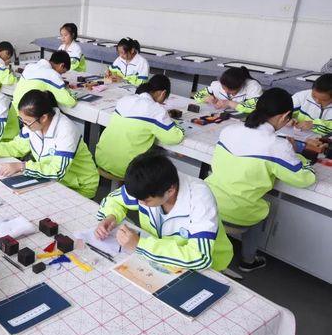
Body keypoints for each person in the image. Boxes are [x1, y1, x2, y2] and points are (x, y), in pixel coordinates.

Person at [206, 88, 316, 272]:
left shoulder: (230, 129)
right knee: (260, 208)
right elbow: (305, 179)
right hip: (236, 214)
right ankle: (248, 260)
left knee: (246, 200)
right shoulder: (277, 145)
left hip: (208, 200)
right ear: (285, 116)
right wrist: (300, 156)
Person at [96, 151, 233, 271]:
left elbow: (200, 257)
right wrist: (110, 216)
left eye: (146, 201)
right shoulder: (146, 183)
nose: (139, 203)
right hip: (162, 258)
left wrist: (140, 244)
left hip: (206, 268)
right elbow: (114, 200)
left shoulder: (199, 199)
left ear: (170, 191)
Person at [0, 90, 99, 198]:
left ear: (43, 118)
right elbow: (17, 146)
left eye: (27, 122)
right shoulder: (32, 125)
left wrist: (22, 166)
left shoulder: (66, 130)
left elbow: (58, 172)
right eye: (22, 121)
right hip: (50, 179)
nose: (24, 125)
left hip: (79, 186)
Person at [95, 75, 184, 179]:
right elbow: (174, 137)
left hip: (101, 159)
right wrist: (171, 121)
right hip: (127, 169)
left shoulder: (125, 100)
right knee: (162, 156)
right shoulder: (156, 109)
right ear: (163, 93)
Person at [11, 50, 76, 110]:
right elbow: (70, 102)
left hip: (14, 109)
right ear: (62, 65)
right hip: (27, 114)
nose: (60, 75)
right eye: (62, 72)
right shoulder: (52, 74)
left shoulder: (31, 66)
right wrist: (70, 92)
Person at [193, 66, 262, 114]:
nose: (226, 92)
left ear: (241, 86)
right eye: (224, 88)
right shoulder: (218, 85)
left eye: (230, 90)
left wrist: (230, 103)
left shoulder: (253, 87)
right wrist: (206, 98)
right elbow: (197, 95)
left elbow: (256, 108)